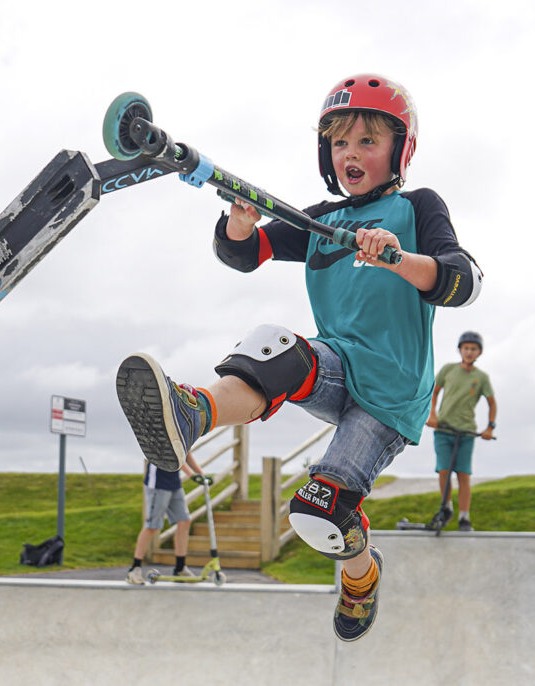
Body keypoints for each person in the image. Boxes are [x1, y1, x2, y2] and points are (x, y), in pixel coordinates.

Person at [115, 74, 482, 641]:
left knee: (317, 513)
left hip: (391, 396)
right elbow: (245, 253)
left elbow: (463, 280)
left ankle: (361, 578)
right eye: (339, 143)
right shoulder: (322, 221)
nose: (351, 154)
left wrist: (400, 259)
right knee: (274, 345)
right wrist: (237, 226)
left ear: (399, 149)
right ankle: (191, 414)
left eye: (367, 141)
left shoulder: (417, 208)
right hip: (338, 367)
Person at [425, 331, 496, 531]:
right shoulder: (448, 370)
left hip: (466, 432)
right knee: (444, 470)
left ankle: (464, 517)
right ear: (460, 350)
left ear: (479, 352)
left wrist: (490, 427)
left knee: (463, 474)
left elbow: (492, 403)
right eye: (466, 348)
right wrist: (432, 414)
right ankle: (446, 508)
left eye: (473, 349)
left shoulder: (481, 377)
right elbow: (434, 392)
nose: (469, 352)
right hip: (443, 429)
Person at [126, 453, 207, 584]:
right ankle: (134, 569)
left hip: (174, 483)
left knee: (184, 521)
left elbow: (186, 454)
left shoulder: (185, 433)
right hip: (158, 483)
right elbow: (175, 456)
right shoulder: (164, 432)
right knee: (152, 526)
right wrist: (192, 475)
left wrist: (202, 474)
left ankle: (180, 568)